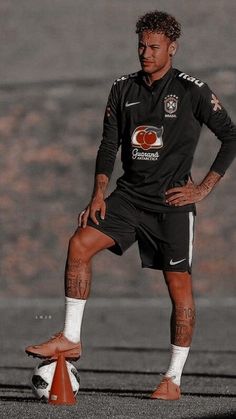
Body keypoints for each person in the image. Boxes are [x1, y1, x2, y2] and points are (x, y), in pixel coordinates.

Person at [25, 10, 236, 400]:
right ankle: (71, 339)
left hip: (172, 205)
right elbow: (109, 144)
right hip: (128, 198)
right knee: (79, 244)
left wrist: (204, 188)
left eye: (154, 47)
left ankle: (173, 378)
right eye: (141, 45)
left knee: (179, 293)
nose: (145, 53)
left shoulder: (193, 90)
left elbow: (231, 137)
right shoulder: (123, 88)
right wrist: (98, 192)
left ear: (172, 48)